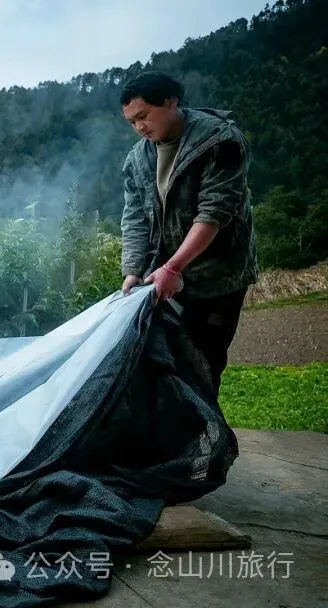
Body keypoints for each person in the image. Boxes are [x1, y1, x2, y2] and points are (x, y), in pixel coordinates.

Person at [117, 71, 258, 396]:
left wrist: (174, 267)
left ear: (171, 102)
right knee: (161, 367)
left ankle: (204, 429)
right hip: (161, 280)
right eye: (132, 122)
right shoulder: (138, 158)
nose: (139, 127)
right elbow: (135, 218)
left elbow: (214, 213)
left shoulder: (219, 141)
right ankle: (175, 428)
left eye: (143, 116)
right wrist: (133, 271)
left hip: (216, 278)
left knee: (202, 366)